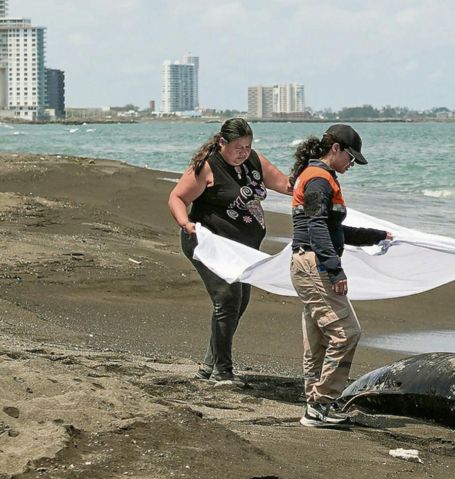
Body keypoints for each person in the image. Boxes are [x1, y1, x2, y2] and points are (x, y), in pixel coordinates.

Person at [168, 118, 292, 383]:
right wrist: (185, 223)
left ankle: (208, 366)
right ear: (223, 143)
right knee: (227, 299)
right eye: (238, 147)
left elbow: (285, 184)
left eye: (248, 146)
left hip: (242, 250)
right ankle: (222, 372)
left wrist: (314, 182)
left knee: (238, 304)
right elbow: (177, 197)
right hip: (208, 244)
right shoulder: (207, 166)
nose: (243, 152)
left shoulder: (255, 161)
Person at [289, 124, 391, 427]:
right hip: (315, 266)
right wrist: (334, 270)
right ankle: (320, 404)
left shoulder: (315, 176)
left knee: (319, 337)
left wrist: (376, 235)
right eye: (351, 157)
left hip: (307, 263)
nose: (352, 164)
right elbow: (317, 227)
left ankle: (315, 405)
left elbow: (334, 229)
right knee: (347, 333)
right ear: (335, 149)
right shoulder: (318, 179)